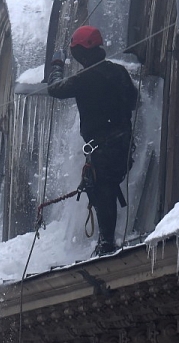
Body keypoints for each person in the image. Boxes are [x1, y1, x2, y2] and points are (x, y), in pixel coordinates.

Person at [46, 25, 137, 255]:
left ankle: (106, 242)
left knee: (101, 188)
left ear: (81, 54)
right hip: (123, 145)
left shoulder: (84, 78)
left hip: (102, 147)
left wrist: (57, 66)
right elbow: (134, 101)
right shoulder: (119, 72)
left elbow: (55, 88)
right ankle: (107, 240)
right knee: (105, 186)